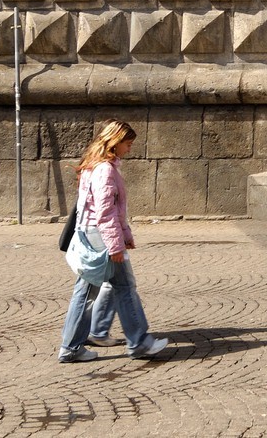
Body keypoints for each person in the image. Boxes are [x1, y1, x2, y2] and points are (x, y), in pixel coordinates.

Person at [57, 120, 170, 362]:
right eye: (127, 144)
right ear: (115, 142)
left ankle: (71, 347)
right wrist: (116, 244)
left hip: (92, 233)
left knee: (86, 291)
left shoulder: (93, 165)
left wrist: (124, 235)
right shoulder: (105, 169)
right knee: (124, 288)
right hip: (101, 236)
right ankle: (139, 342)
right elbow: (105, 211)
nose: (130, 149)